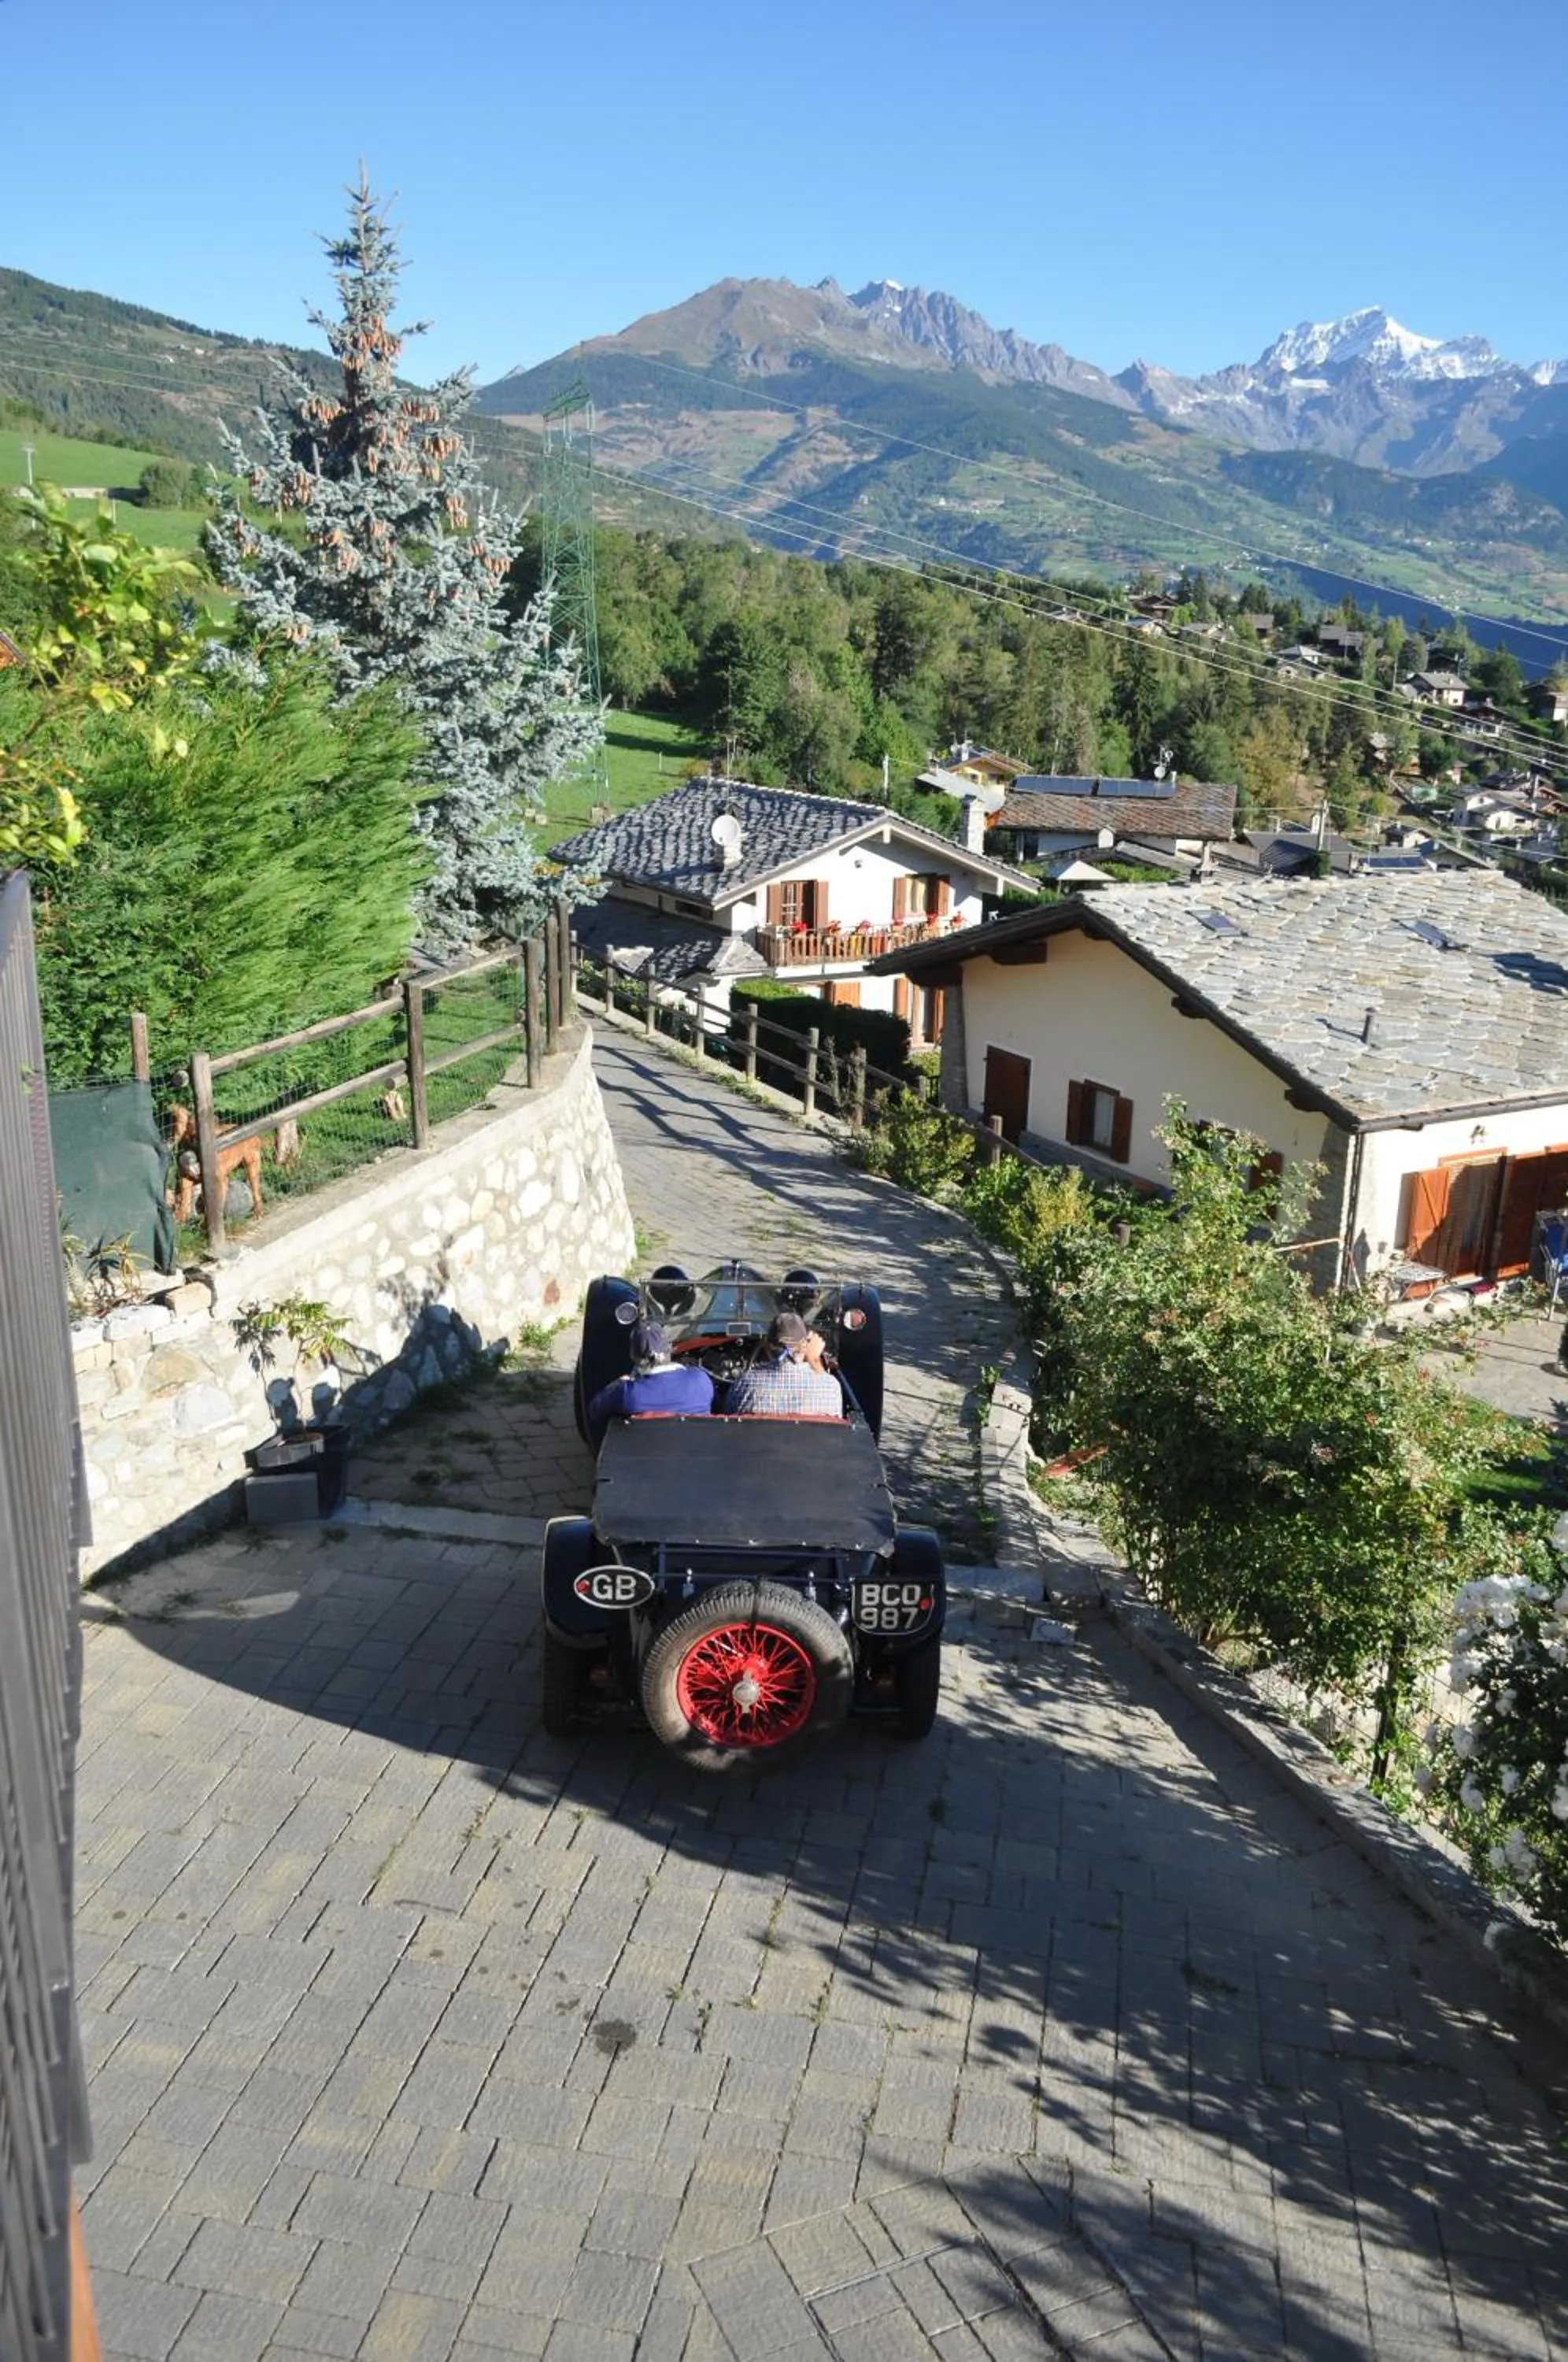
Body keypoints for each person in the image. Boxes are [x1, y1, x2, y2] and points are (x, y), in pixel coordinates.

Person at [586, 1319, 713, 1448]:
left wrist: (617, 1383)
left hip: (646, 1452)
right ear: (669, 1348)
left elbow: (595, 1410)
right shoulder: (700, 1378)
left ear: (634, 1356)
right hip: (699, 1450)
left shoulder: (627, 1392)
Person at [726, 1309, 843, 1418]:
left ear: (767, 1346)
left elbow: (727, 1420)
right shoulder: (830, 1386)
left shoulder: (745, 1384)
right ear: (805, 1346)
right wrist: (814, 1361)